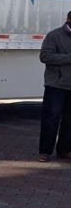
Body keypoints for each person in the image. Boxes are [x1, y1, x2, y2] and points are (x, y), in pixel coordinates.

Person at [37, 11, 71, 161]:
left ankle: (64, 150)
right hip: (56, 86)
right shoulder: (54, 35)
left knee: (69, 121)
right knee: (51, 119)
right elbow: (45, 56)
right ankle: (44, 152)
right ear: (68, 19)